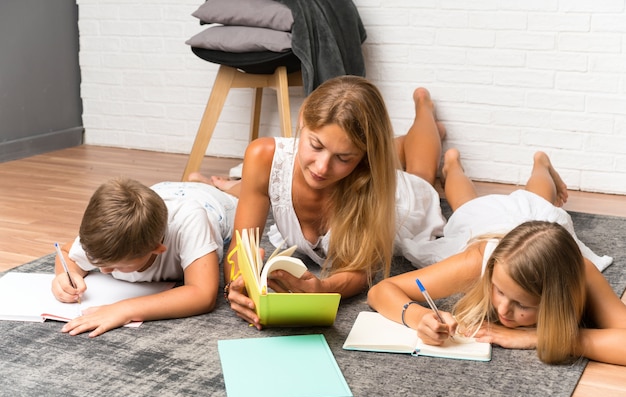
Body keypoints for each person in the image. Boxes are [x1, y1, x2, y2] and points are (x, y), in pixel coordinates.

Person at [190, 76, 447, 329]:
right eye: (315, 145)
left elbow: (358, 273)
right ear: (302, 118)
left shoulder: (373, 182)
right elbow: (240, 245)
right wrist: (237, 285)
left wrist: (323, 288)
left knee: (422, 174)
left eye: (344, 158)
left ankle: (423, 107)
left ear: (364, 158)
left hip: (403, 200)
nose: (322, 168)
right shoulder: (263, 156)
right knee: (256, 183)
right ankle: (397, 144)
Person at [368, 149, 626, 365]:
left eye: (523, 305)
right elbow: (381, 290)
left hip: (544, 220)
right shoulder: (478, 260)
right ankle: (452, 164)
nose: (503, 310)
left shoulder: (582, 272)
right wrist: (418, 317)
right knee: (465, 206)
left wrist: (542, 337)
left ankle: (541, 163)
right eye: (499, 291)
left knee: (538, 199)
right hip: (485, 222)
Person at [52, 178, 237, 337]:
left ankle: (227, 184)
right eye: (96, 261)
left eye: (117, 266)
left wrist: (124, 309)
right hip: (162, 191)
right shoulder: (112, 232)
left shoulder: (190, 221)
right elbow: (67, 253)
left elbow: (203, 295)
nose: (103, 270)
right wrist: (64, 275)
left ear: (157, 249)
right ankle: (201, 180)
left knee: (242, 194)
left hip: (213, 202)